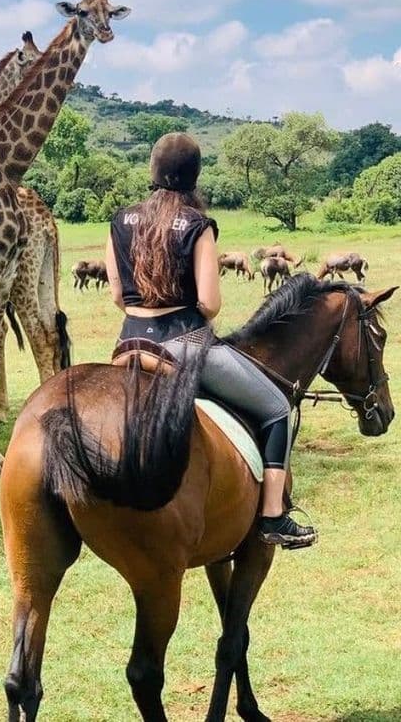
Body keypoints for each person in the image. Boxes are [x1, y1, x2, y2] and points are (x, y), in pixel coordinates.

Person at [105, 132, 317, 548]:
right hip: (184, 343)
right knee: (276, 407)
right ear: (194, 177)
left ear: (152, 170)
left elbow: (117, 295)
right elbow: (210, 303)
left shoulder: (120, 220)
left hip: (127, 344)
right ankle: (274, 516)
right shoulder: (198, 225)